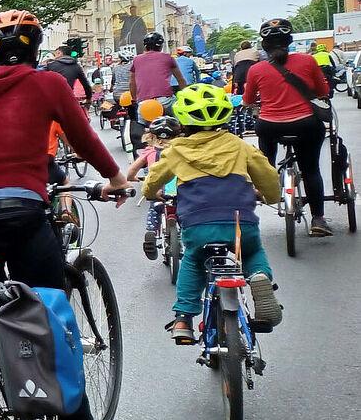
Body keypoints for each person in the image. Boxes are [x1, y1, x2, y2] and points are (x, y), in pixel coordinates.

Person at [0, 9, 129, 420]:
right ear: (37, 48)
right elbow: (83, 138)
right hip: (17, 217)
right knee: (46, 311)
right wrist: (115, 178)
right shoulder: (47, 84)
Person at [143, 84, 282, 343]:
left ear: (182, 121)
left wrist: (151, 193)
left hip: (198, 225)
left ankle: (184, 317)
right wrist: (271, 196)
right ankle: (259, 277)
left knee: (194, 260)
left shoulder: (177, 150)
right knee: (251, 252)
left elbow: (153, 179)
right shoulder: (239, 146)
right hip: (240, 222)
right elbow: (268, 176)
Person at [243, 17, 333, 236]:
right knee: (311, 169)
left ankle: (266, 187)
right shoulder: (307, 61)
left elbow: (247, 100)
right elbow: (323, 92)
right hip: (306, 125)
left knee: (267, 162)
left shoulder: (256, 70)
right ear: (289, 41)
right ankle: (318, 220)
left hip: (270, 126)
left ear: (264, 46)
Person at [125, 115, 181, 259]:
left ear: (150, 136)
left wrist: (132, 178)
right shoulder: (180, 151)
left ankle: (151, 231)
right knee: (183, 213)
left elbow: (132, 170)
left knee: (154, 209)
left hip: (157, 190)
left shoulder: (149, 151)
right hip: (179, 191)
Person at [129, 32, 188, 111]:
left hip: (144, 103)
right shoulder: (168, 58)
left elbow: (132, 83)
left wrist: (134, 99)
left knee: (142, 122)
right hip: (165, 101)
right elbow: (180, 80)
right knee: (180, 118)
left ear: (145, 46)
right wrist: (185, 96)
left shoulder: (136, 59)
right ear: (161, 46)